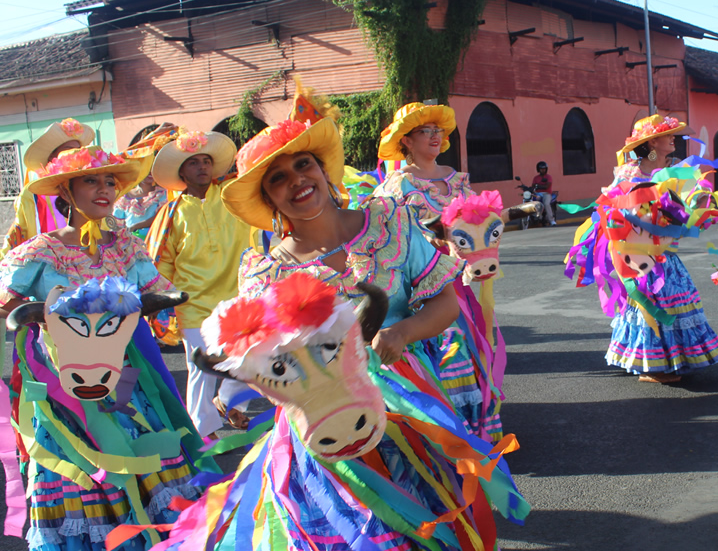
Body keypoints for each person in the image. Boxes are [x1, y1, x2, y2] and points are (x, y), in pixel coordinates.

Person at [209, 84, 528, 547]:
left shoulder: (388, 223)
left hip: (407, 403)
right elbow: (266, 359)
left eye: (304, 164)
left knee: (429, 518)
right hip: (326, 422)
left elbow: (445, 302)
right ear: (269, 200)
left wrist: (403, 331)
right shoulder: (264, 274)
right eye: (277, 178)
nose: (297, 179)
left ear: (323, 170)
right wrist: (234, 388)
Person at [0, 146, 210, 551]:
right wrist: (44, 314)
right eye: (91, 181)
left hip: (127, 375)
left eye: (110, 181)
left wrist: (159, 302)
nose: (104, 189)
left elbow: (157, 293)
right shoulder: (41, 250)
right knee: (81, 461)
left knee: (141, 447)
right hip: (65, 383)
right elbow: (7, 299)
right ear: (66, 189)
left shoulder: (126, 246)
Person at [373, 102, 506, 440]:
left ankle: (472, 426)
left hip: (461, 282)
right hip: (423, 289)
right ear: (406, 140)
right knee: (447, 348)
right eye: (425, 131)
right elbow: (383, 234)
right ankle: (443, 429)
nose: (434, 137)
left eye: (438, 131)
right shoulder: (395, 186)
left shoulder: (455, 178)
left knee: (473, 347)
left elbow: (479, 219)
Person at [599, 115, 718, 384]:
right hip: (640, 256)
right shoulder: (630, 175)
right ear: (650, 143)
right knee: (653, 305)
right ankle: (653, 366)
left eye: (674, 134)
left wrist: (698, 211)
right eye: (667, 134)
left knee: (676, 302)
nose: (674, 138)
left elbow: (682, 210)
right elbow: (613, 214)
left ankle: (671, 360)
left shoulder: (673, 172)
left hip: (666, 253)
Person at [147, 130, 253, 439]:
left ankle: (230, 402)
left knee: (250, 357)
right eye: (193, 163)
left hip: (239, 296)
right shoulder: (172, 214)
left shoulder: (234, 196)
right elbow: (163, 261)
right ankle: (202, 431)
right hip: (192, 304)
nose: (202, 167)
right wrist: (163, 301)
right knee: (201, 370)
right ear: (182, 172)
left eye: (206, 161)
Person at [2, 118, 97, 256]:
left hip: (86, 259)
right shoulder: (32, 193)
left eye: (78, 150)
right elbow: (20, 232)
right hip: (49, 262)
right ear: (52, 156)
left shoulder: (87, 188)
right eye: (68, 150)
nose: (74, 155)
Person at [114, 172, 167, 239]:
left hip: (154, 242)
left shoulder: (163, 194)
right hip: (131, 244)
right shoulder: (125, 196)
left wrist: (135, 227)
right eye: (147, 169)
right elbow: (117, 226)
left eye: (152, 169)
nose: (150, 173)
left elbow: (161, 217)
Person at [532, 161, 556, 225]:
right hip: (538, 194)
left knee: (546, 204)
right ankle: (537, 216)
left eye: (544, 169)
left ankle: (551, 220)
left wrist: (538, 185)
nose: (543, 170)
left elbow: (547, 186)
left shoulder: (549, 177)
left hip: (546, 193)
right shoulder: (536, 178)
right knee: (534, 203)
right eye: (541, 169)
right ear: (538, 169)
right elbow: (533, 186)